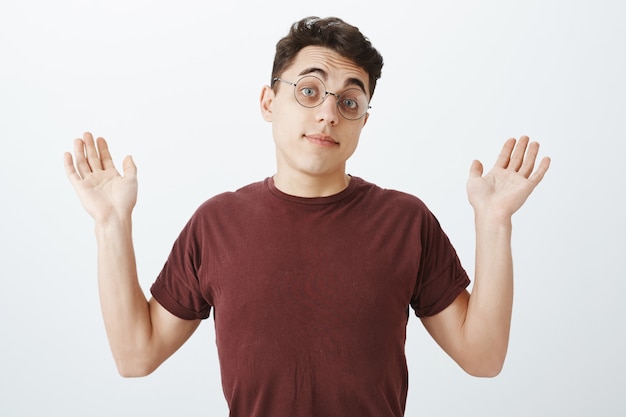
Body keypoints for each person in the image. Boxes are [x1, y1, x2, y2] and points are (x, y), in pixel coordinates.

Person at [64, 16, 550, 417]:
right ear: (268, 101)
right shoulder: (216, 224)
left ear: (363, 120)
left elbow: (483, 358)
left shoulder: (406, 222)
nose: (328, 114)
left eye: (349, 101)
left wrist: (494, 223)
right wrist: (111, 224)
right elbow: (135, 355)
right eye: (310, 91)